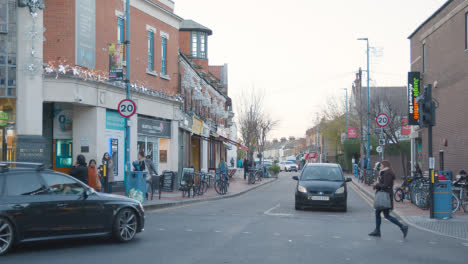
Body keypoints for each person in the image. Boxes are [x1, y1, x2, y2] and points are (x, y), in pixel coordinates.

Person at [369, 160, 408, 238]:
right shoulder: (384, 173)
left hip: (385, 196)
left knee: (386, 215)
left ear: (384, 165)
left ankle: (402, 226)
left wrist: (377, 184)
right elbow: (382, 184)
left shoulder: (388, 173)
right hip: (383, 195)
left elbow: (386, 185)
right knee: (378, 213)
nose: (380, 166)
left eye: (381, 165)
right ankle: (377, 230)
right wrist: (376, 185)